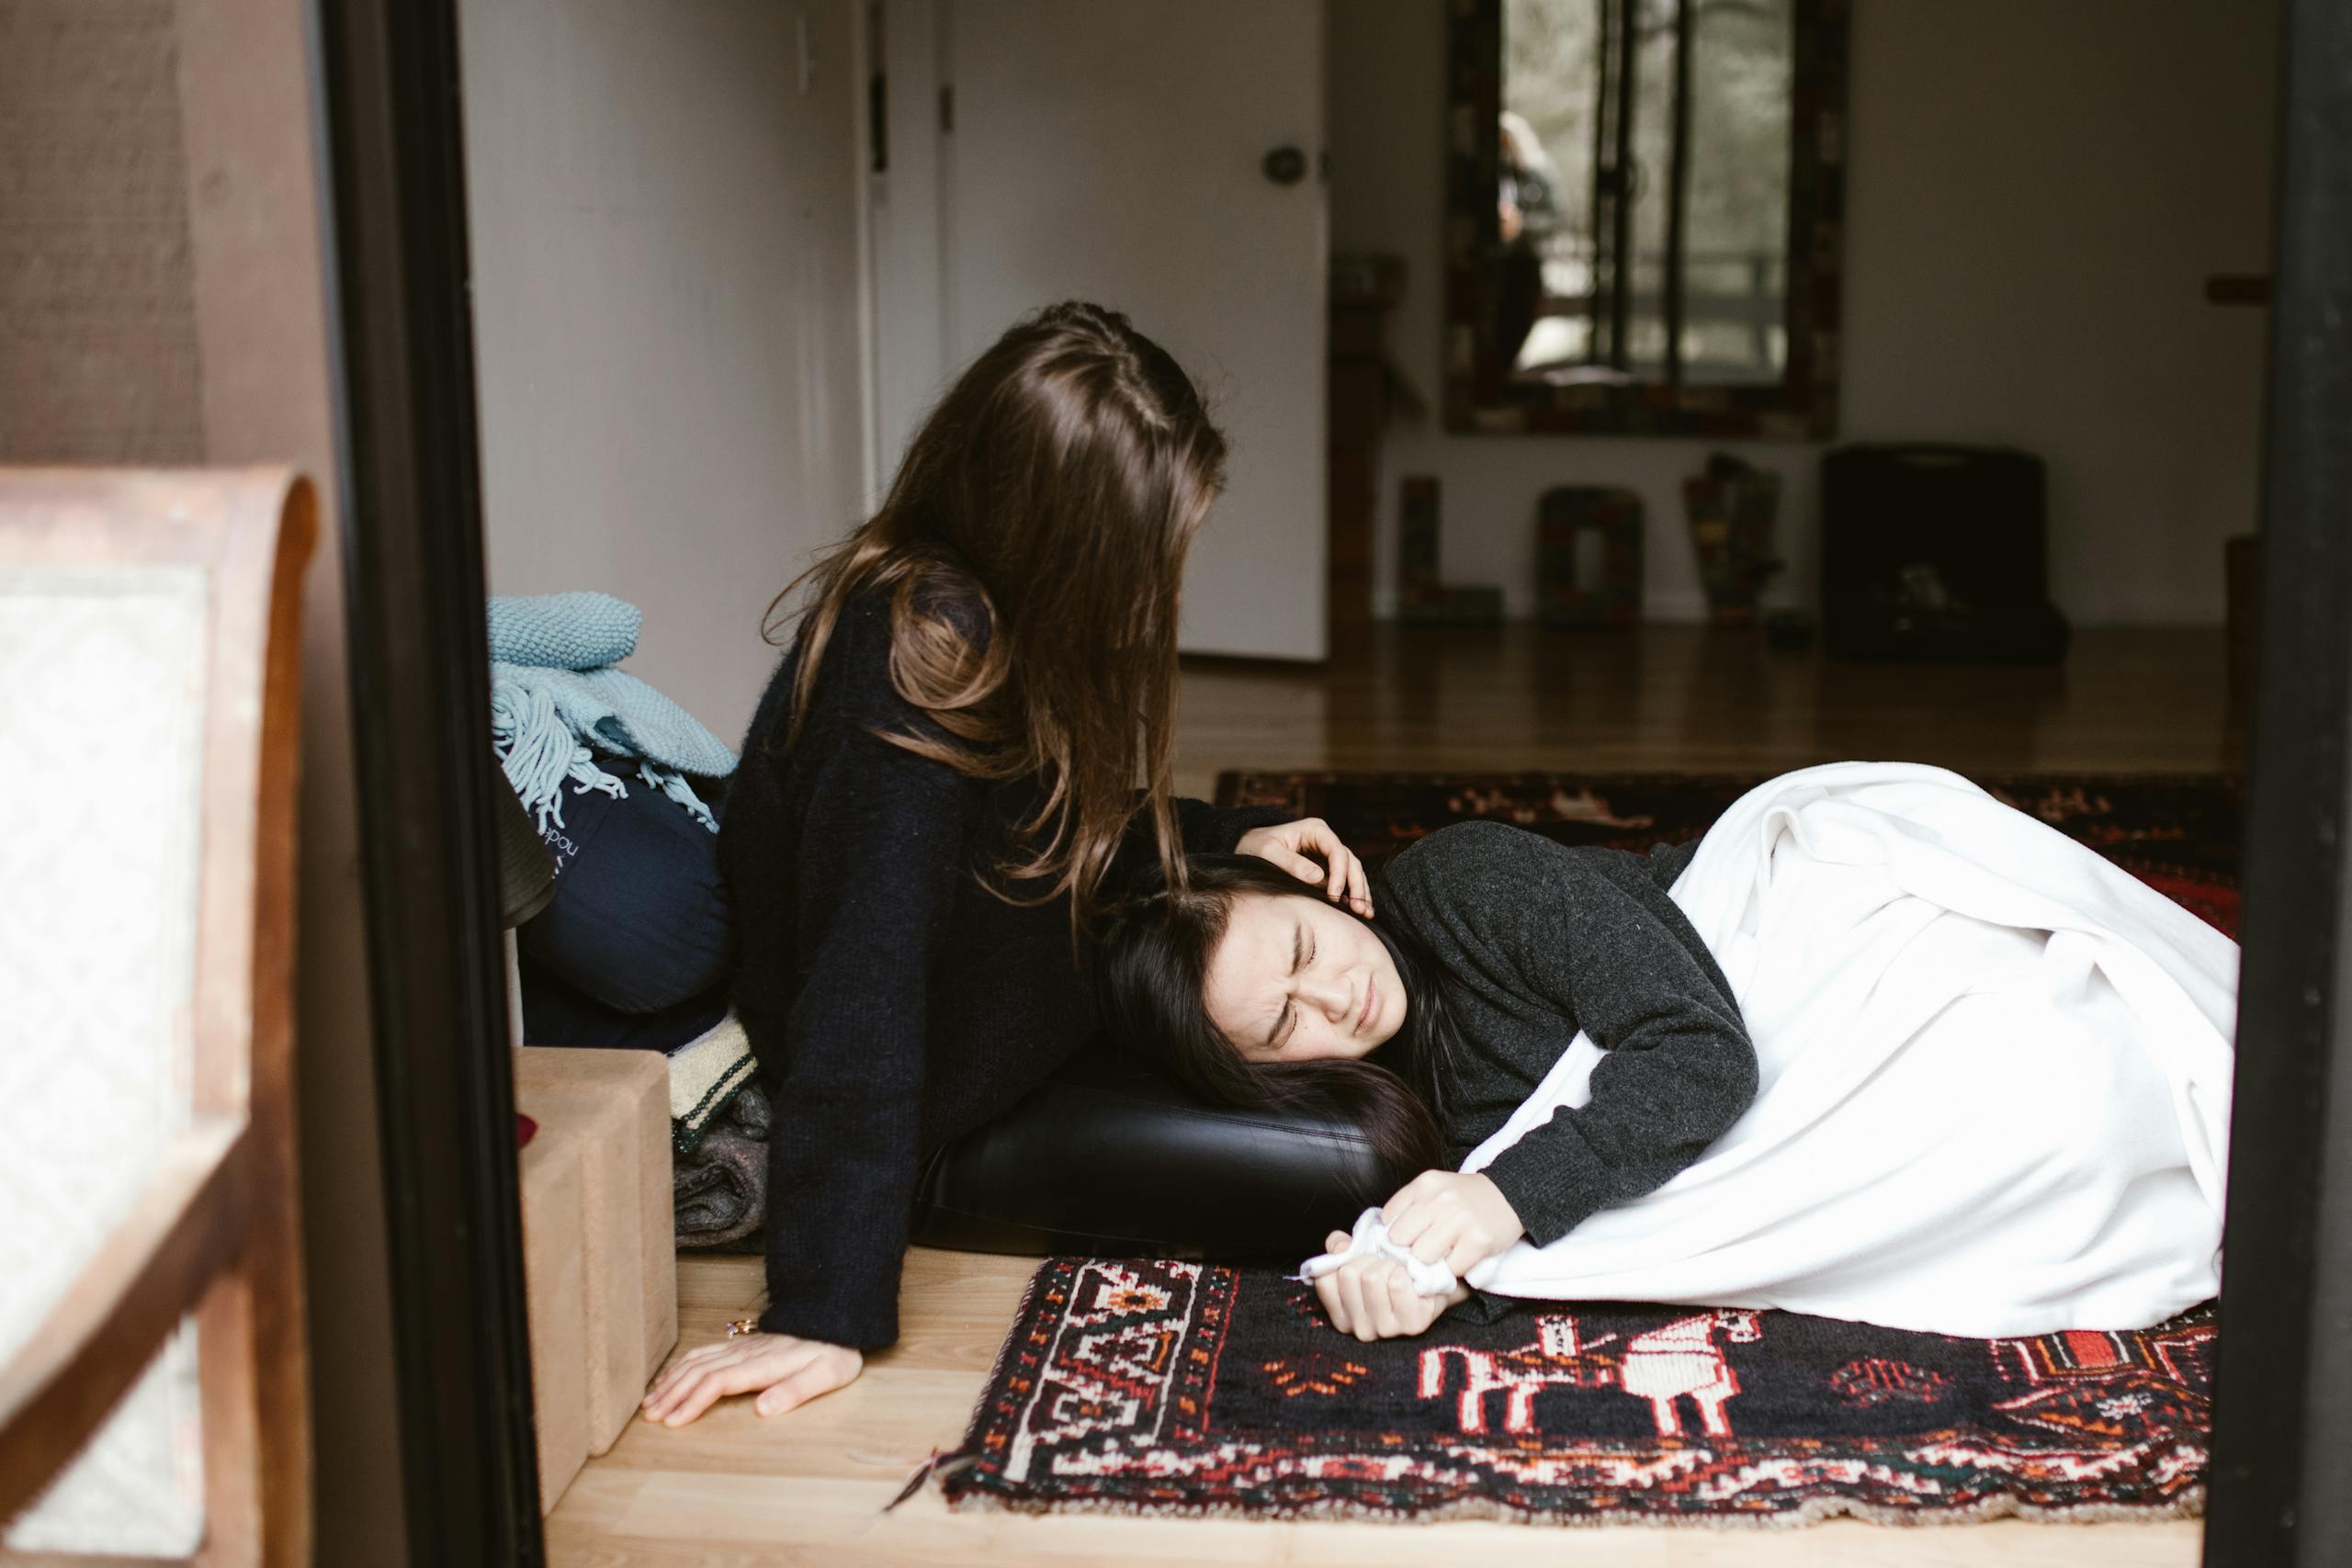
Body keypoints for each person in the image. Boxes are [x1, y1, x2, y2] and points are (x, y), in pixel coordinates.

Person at [641, 301, 1372, 1427]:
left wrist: (1223, 840)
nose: (1172, 590)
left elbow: (1040, 824)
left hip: (1016, 980)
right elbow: (862, 988)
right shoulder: (906, 674)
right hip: (935, 1085)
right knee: (1343, 1161)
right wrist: (823, 1305)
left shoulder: (978, 617)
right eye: (1156, 558)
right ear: (1063, 544)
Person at [1101, 762, 2239, 1344]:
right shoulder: (1368, 1106)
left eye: (1305, 946)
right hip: (1696, 1065)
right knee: (2045, 1144)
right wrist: (1410, 1270)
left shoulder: (1464, 879)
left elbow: (1700, 1051)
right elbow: (1544, 1225)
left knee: (2077, 1073)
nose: (1334, 995)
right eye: (1284, 1022)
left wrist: (1501, 1206)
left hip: (1770, 956)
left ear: (1317, 885)